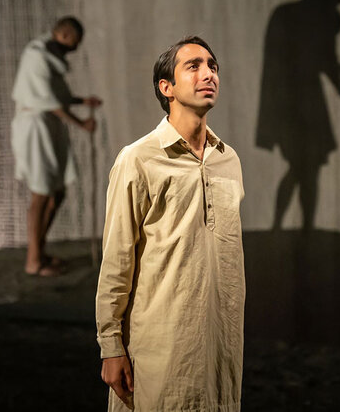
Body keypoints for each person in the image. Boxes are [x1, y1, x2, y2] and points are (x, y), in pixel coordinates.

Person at [96, 36, 245, 411]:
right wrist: (111, 346)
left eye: (212, 66)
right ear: (167, 88)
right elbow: (117, 260)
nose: (207, 74)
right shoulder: (139, 159)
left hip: (221, 348)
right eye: (192, 66)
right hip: (162, 349)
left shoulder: (228, 160)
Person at [256, 0, 340, 231]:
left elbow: (319, 58)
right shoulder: (315, 18)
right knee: (304, 167)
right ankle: (298, 226)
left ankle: (295, 225)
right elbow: (323, 58)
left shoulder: (290, 14)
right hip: (300, 103)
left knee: (305, 167)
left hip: (294, 103)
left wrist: (337, 75)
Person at [11, 16, 101, 276]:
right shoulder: (37, 57)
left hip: (47, 125)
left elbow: (54, 95)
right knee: (41, 192)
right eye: (73, 43)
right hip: (35, 127)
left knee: (57, 192)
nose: (73, 50)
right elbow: (48, 101)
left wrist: (82, 100)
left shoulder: (48, 55)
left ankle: (39, 250)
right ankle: (33, 261)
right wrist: (81, 123)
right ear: (62, 35)